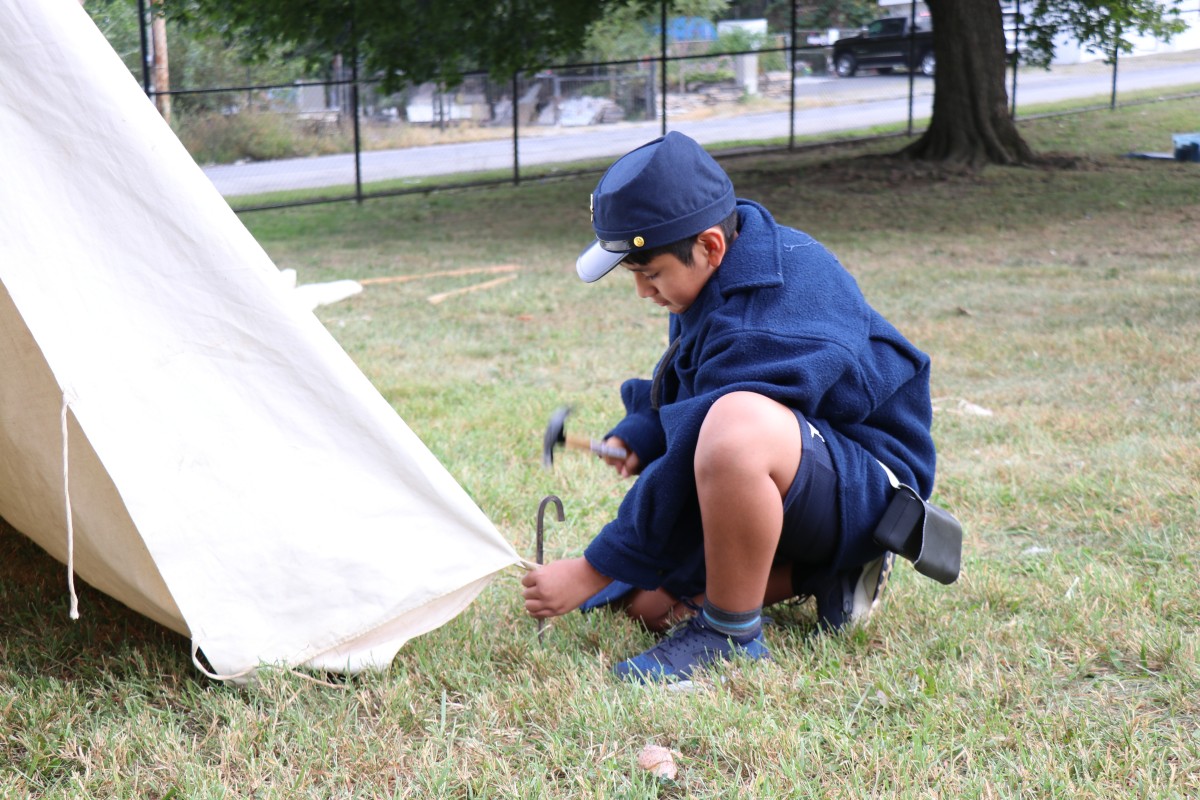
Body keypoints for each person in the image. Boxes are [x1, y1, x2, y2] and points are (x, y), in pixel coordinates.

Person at [521, 131, 937, 684]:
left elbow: (713, 425)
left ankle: (730, 634)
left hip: (873, 486)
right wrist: (644, 429)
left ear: (711, 246)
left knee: (735, 428)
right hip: (796, 469)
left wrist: (593, 569)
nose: (644, 292)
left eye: (650, 274)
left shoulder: (776, 301)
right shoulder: (715, 268)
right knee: (646, 606)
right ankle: (824, 573)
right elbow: (692, 382)